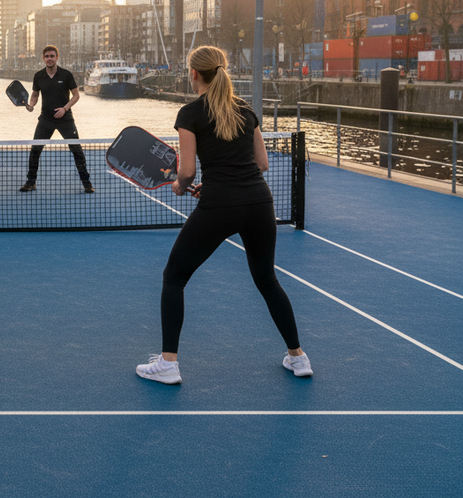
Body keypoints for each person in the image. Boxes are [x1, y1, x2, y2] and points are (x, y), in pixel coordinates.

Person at [136, 45, 311, 385]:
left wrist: (179, 186)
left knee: (174, 277)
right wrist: (215, 182)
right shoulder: (245, 111)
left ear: (194, 74)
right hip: (260, 204)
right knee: (267, 281)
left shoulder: (190, 114)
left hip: (220, 206)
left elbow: (185, 172)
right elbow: (261, 164)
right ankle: (299, 357)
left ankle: (168, 363)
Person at [20, 45, 93, 193]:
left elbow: (76, 95)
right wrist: (31, 105)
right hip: (46, 119)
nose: (49, 59)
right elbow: (34, 95)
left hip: (65, 119)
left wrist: (64, 108)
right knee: (35, 150)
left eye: (52, 56)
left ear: (57, 57)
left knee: (77, 150)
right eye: (47, 56)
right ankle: (31, 182)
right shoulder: (38, 76)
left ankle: (87, 184)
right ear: (43, 58)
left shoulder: (66, 75)